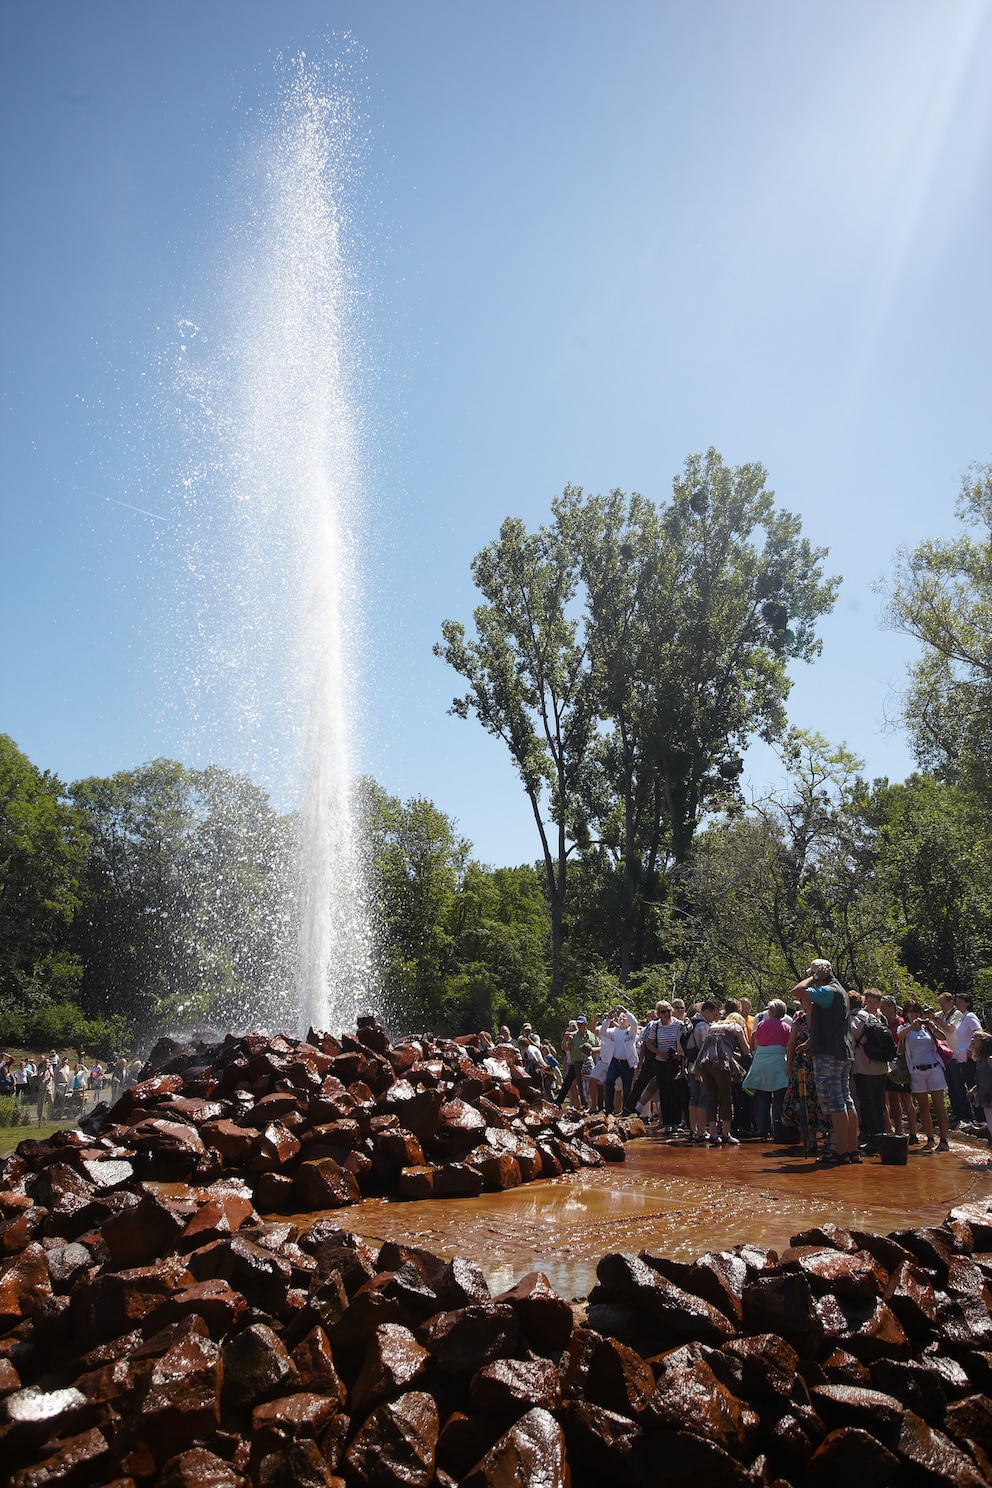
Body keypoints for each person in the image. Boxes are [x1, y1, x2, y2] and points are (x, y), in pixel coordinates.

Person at [791, 960, 859, 1167]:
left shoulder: (828, 991)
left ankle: (840, 1151)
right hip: (841, 1051)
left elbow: (797, 990)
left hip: (829, 1054)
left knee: (834, 1101)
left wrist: (815, 977)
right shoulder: (839, 991)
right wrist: (809, 1043)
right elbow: (833, 1024)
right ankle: (851, 1149)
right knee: (845, 1100)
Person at [691, 1002, 750, 1146]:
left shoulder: (714, 1026)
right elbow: (747, 1049)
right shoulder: (736, 1027)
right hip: (720, 1064)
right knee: (725, 1097)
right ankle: (726, 1133)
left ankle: (712, 1133)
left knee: (712, 1097)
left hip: (704, 1064)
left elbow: (715, 1046)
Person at [899, 1001, 951, 1151]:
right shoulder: (905, 1028)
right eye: (911, 1012)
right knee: (923, 1107)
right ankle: (929, 1139)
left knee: (939, 1105)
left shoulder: (927, 1028)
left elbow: (942, 1037)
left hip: (934, 1068)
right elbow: (899, 1036)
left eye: (916, 1012)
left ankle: (944, 1140)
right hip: (916, 1071)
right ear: (906, 1014)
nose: (914, 1015)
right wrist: (911, 1026)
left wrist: (933, 1026)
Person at [850, 989, 892, 1156]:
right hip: (881, 1067)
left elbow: (850, 1046)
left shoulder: (851, 1020)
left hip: (863, 1068)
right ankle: (878, 1136)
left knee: (867, 1105)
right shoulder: (872, 1017)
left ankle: (875, 1141)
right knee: (879, 1103)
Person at [743, 998, 790, 1141]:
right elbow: (788, 1045)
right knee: (778, 1098)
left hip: (762, 1061)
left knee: (763, 1097)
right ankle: (777, 1129)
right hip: (777, 1062)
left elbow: (756, 1041)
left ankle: (763, 1129)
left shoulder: (762, 1024)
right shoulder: (786, 1027)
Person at [934, 993, 982, 1128]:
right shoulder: (961, 1018)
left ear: (967, 1003)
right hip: (959, 1058)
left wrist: (972, 1049)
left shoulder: (969, 1016)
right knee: (956, 1088)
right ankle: (962, 1116)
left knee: (969, 1087)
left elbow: (978, 1031)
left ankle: (978, 1119)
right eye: (957, 1001)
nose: (958, 1004)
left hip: (969, 1058)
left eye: (960, 1001)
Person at [602, 1006, 639, 1116]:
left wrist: (625, 1011)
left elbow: (635, 1023)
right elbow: (603, 1031)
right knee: (609, 1081)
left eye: (624, 1017)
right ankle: (608, 1108)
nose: (622, 1018)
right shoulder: (614, 1031)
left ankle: (626, 1110)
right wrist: (608, 1019)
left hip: (627, 1063)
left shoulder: (631, 1032)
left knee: (627, 1087)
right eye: (620, 1017)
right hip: (615, 1062)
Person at [558, 1016, 596, 1109]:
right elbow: (564, 1048)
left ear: (585, 1024)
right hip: (577, 1062)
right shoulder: (573, 1035)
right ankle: (562, 1101)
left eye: (581, 1024)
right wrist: (565, 1039)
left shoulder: (591, 1035)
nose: (579, 1025)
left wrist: (591, 1050)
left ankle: (591, 1103)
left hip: (589, 1061)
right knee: (574, 1082)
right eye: (578, 1024)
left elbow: (599, 1046)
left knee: (588, 1083)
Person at [971, 1031, 992, 1143]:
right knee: (990, 1125)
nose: (972, 1040)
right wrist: (974, 1089)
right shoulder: (981, 1059)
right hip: (985, 1096)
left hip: (990, 1095)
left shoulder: (989, 1059)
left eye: (975, 1038)